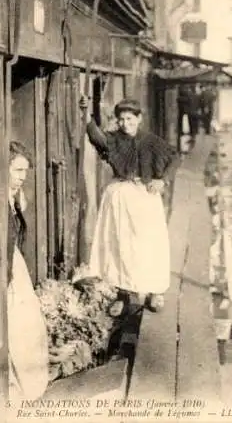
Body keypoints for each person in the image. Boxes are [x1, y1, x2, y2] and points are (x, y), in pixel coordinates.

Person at [80, 97, 180, 312]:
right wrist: (87, 117)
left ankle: (156, 291)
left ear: (139, 119)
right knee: (121, 245)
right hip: (121, 196)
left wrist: (162, 180)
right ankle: (123, 293)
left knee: (149, 244)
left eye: (130, 118)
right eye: (122, 119)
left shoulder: (150, 141)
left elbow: (175, 157)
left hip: (145, 196)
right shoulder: (114, 140)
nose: (126, 123)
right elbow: (97, 138)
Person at [7, 141, 49, 401]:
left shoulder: (16, 196)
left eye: (25, 171)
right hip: (5, 264)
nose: (22, 177)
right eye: (17, 170)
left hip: (15, 262)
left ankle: (27, 383)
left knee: (28, 324)